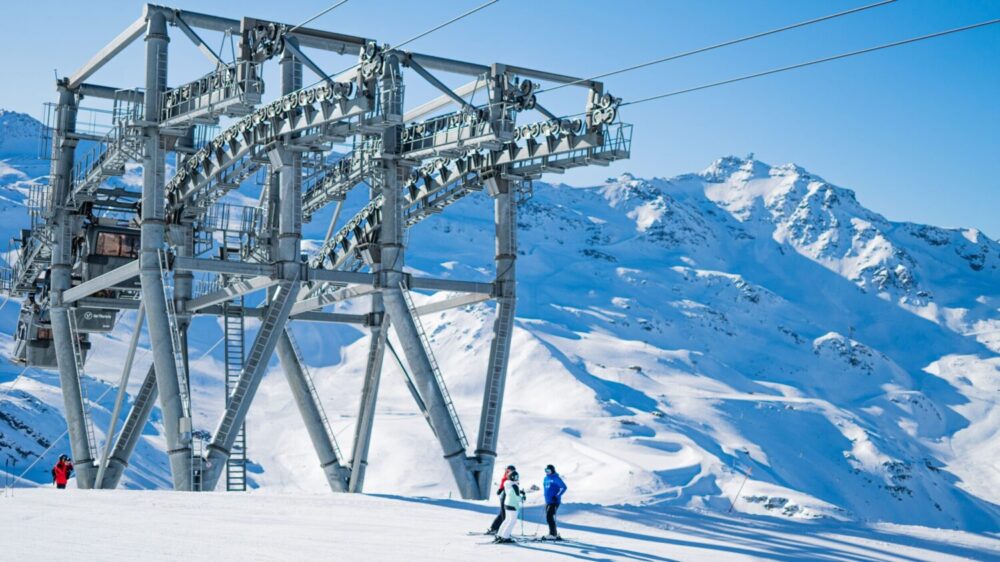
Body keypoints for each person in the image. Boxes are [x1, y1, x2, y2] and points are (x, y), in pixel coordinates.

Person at [494, 470, 525, 544]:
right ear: (511, 477)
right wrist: (523, 497)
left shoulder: (507, 483)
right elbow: (518, 498)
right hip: (513, 505)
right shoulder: (515, 485)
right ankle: (505, 537)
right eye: (515, 477)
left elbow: (512, 492)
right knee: (512, 521)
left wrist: (520, 492)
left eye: (517, 476)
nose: (517, 478)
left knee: (507, 520)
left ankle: (500, 535)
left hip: (507, 504)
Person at [487, 464, 516, 535]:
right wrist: (500, 490)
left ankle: (494, 528)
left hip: (507, 497)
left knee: (502, 513)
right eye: (508, 470)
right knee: (505, 514)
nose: (509, 472)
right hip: (505, 497)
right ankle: (502, 531)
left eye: (511, 471)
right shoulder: (506, 477)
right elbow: (503, 486)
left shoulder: (511, 477)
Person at [542, 464, 567, 540]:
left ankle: (552, 534)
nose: (547, 472)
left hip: (554, 501)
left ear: (552, 470)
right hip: (548, 501)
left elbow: (564, 487)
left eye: (548, 471)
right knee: (549, 517)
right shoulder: (545, 478)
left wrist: (557, 496)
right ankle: (554, 533)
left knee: (549, 517)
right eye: (546, 470)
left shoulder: (556, 478)